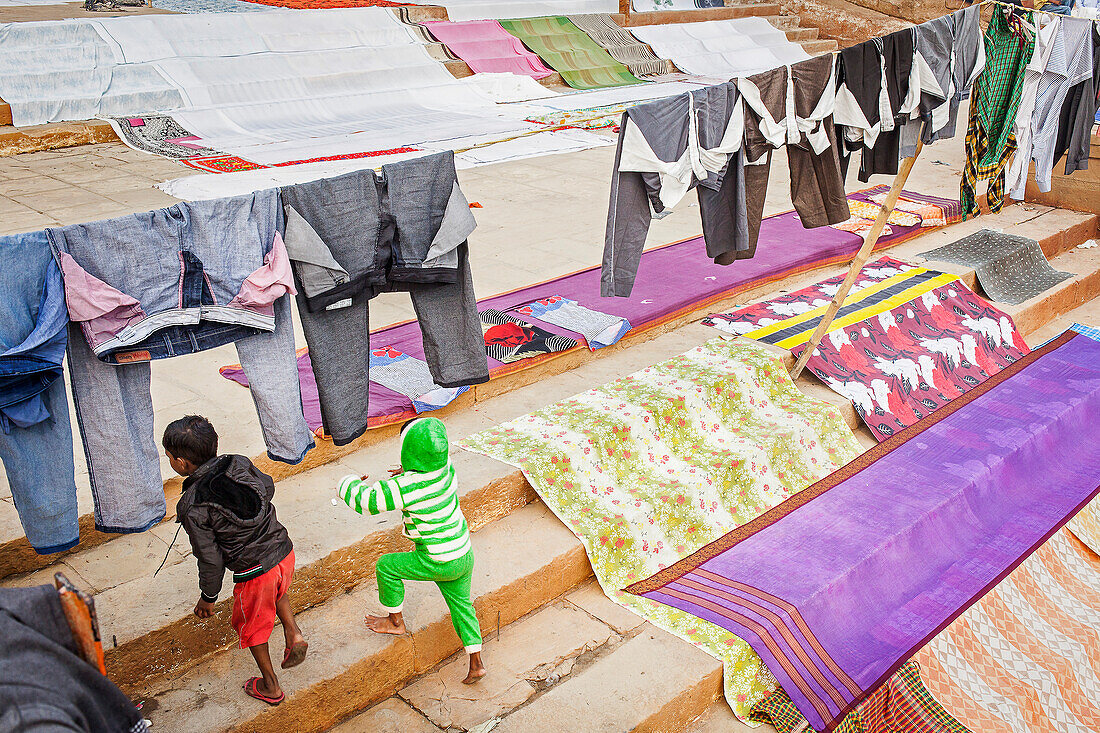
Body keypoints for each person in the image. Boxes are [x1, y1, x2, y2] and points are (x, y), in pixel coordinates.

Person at [164, 415, 307, 706]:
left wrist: (208, 596)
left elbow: (210, 557)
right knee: (278, 591)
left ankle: (269, 685)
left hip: (254, 572)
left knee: (253, 627)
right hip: (283, 550)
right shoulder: (237, 462)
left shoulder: (194, 505)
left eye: (168, 456)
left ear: (181, 463)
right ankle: (294, 631)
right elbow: (266, 487)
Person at [336, 417, 486, 684]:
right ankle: (476, 662)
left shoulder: (405, 487)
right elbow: (422, 478)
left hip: (437, 559)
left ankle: (395, 622)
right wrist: (407, 473)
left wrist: (347, 483)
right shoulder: (446, 469)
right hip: (462, 552)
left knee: (386, 566)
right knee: (462, 606)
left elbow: (368, 501)